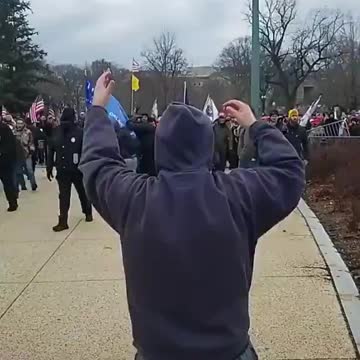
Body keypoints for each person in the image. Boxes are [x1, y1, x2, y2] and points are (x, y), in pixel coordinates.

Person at [79, 72, 305, 360]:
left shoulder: (135, 199)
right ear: (207, 147)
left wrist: (97, 110)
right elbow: (289, 172)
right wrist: (256, 126)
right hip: (228, 350)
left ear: (161, 147)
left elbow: (99, 165)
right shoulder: (238, 194)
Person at [47, 107, 92, 232]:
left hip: (65, 168)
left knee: (65, 196)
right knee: (80, 192)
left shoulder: (60, 131)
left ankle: (63, 221)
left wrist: (49, 167)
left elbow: (50, 151)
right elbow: (86, 151)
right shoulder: (79, 132)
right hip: (75, 168)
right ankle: (87, 212)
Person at [14, 119, 38, 191]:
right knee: (18, 171)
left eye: (21, 123)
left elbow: (31, 142)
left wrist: (31, 151)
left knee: (30, 170)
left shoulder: (28, 132)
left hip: (27, 154)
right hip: (17, 155)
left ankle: (33, 185)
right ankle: (23, 186)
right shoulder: (13, 133)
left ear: (23, 124)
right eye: (18, 123)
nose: (19, 125)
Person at [0, 118, 18, 211]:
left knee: (8, 183)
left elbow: (10, 145)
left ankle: (12, 202)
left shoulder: (4, 129)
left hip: (4, 161)